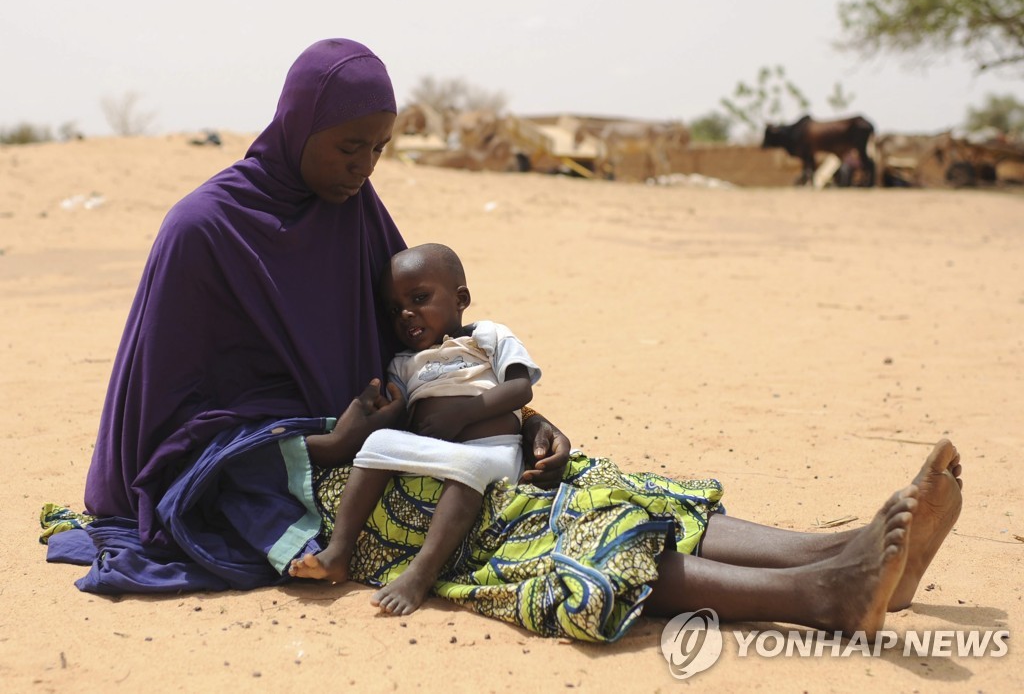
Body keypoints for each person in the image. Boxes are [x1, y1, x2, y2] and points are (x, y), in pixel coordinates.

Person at [41, 37, 962, 645]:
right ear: (294, 128)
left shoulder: (352, 211)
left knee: (589, 480)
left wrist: (520, 412)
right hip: (299, 481)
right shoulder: (204, 230)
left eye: (379, 150)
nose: (364, 170)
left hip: (404, 427)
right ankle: (821, 597)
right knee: (528, 527)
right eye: (347, 148)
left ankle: (841, 551)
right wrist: (336, 439)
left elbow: (411, 340)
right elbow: (170, 422)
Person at [290, 243, 541, 615]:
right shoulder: (405, 362)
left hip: (492, 451)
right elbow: (401, 414)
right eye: (394, 310)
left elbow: (520, 388)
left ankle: (421, 574)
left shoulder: (486, 335)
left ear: (460, 299)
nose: (406, 314)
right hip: (435, 450)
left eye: (420, 298)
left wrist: (463, 415)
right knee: (377, 443)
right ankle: (339, 552)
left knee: (467, 469)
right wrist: (372, 417)